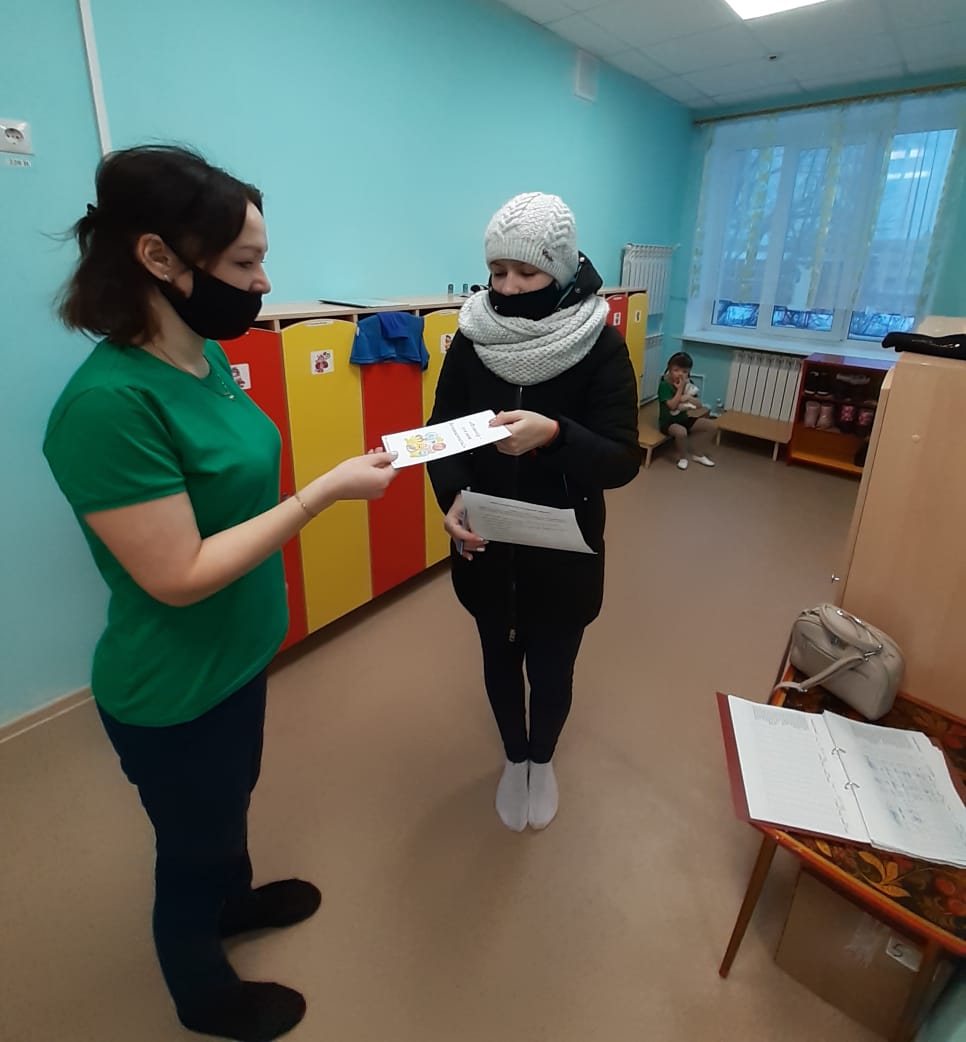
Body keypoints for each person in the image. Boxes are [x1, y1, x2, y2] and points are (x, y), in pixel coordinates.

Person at [43, 145, 397, 1042]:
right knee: (192, 847)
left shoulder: (201, 361)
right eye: (244, 263)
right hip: (174, 688)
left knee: (228, 808)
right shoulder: (108, 405)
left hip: (238, 656)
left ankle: (232, 904)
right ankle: (201, 993)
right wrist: (322, 493)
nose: (263, 282)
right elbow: (178, 574)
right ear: (159, 258)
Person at [427, 192, 640, 832]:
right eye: (497, 272)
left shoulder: (600, 345)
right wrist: (452, 497)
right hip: (485, 547)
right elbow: (443, 431)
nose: (508, 288)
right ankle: (513, 755)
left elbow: (622, 460)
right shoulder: (472, 338)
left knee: (551, 670)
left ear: (563, 270)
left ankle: (540, 761)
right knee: (498, 659)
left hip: (562, 555)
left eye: (526, 272)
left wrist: (554, 435)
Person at [658, 351, 716, 470]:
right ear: (669, 369)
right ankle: (683, 457)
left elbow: (699, 405)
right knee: (681, 432)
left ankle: (698, 454)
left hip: (683, 419)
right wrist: (680, 390)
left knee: (711, 426)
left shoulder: (688, 384)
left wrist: (689, 397)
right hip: (668, 422)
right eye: (676, 370)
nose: (680, 374)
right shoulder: (664, 385)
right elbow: (672, 406)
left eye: (684, 371)